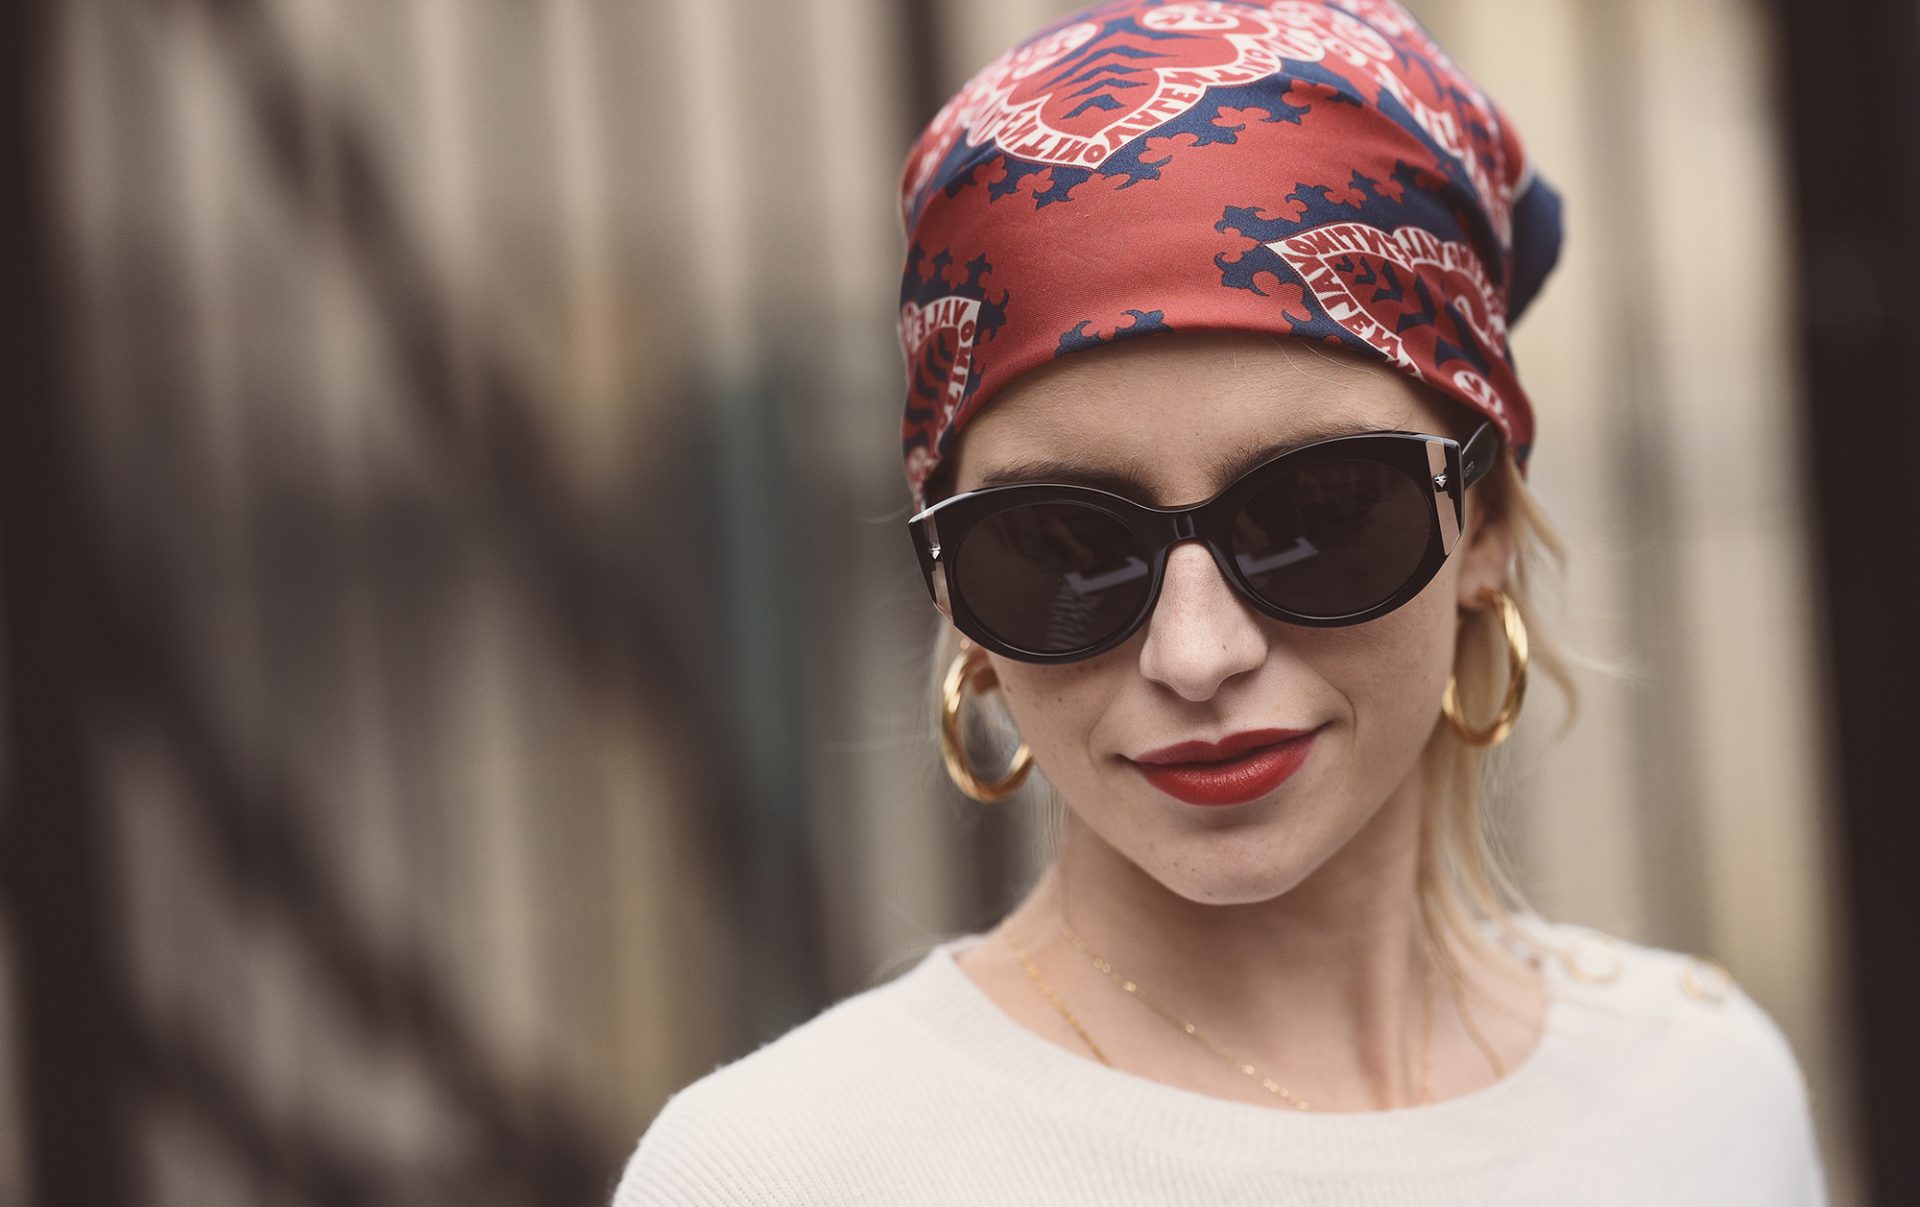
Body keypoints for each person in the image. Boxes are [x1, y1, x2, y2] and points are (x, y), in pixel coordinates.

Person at [615, 1, 1829, 1202]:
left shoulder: (1705, 1099)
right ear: (960, 604)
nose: (1196, 655)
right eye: (1057, 542)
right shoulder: (776, 1172)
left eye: (1317, 515)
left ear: (1488, 527)